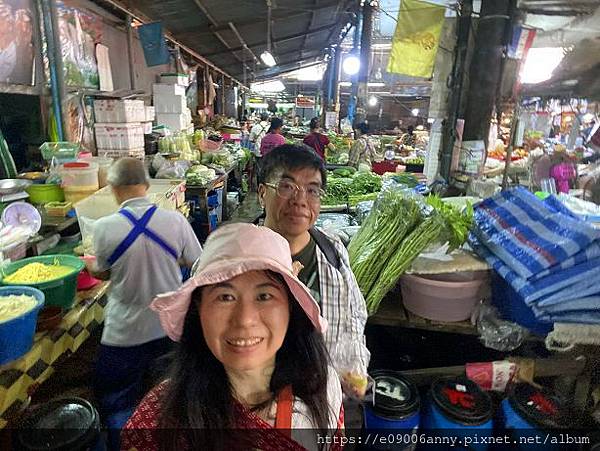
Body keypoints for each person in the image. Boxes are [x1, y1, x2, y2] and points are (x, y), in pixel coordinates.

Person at [122, 224, 344, 450]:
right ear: (199, 309)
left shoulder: (322, 393)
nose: (245, 319)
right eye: (225, 297)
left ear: (290, 307)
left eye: (264, 296)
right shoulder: (156, 423)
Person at [85, 158, 202, 440]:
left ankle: (123, 445)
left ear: (113, 188)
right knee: (169, 400)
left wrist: (88, 266)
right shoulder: (175, 221)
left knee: (118, 404)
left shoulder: (103, 228)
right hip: (168, 329)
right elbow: (198, 263)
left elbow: (100, 271)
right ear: (147, 186)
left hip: (124, 335)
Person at [258, 145, 370, 397]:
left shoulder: (332, 251)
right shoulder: (233, 257)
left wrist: (355, 369)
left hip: (319, 398)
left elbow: (354, 316)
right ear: (262, 193)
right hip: (257, 407)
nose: (300, 200)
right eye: (287, 187)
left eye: (312, 190)